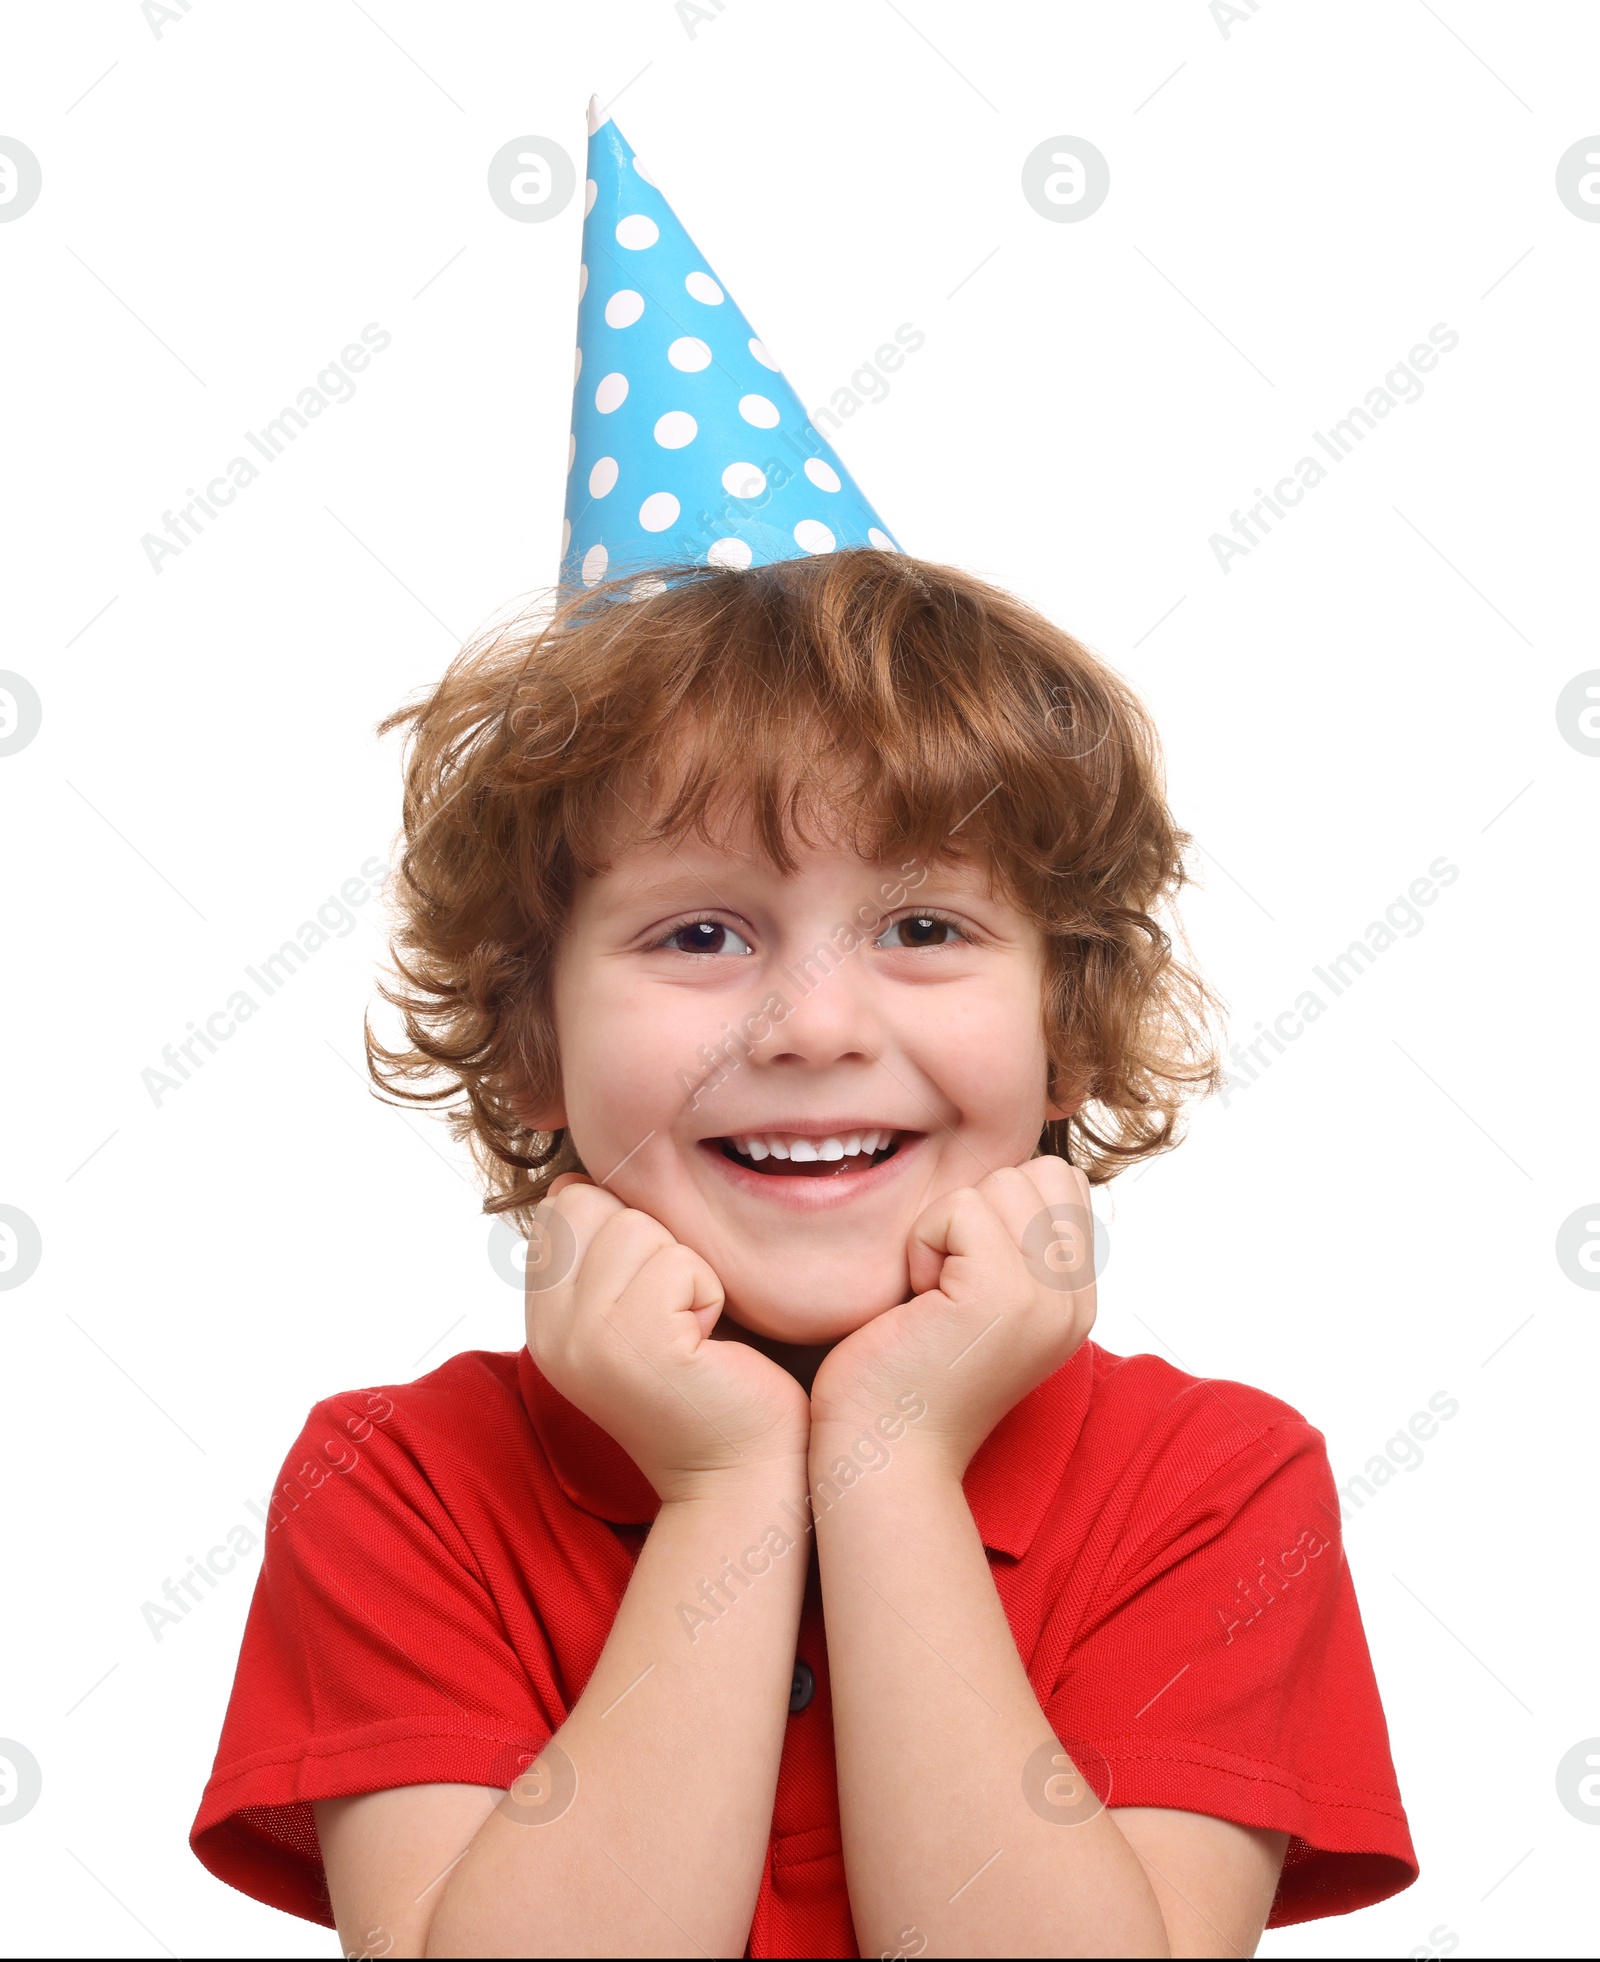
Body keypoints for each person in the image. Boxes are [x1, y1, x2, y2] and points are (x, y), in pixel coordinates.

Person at [190, 104, 1416, 1962]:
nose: (818, 1021)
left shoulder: (1218, 1485)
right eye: (699, 932)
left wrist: (891, 1462)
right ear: (528, 1042)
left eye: (923, 925)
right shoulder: (401, 1483)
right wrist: (720, 1482)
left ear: (1070, 1026)